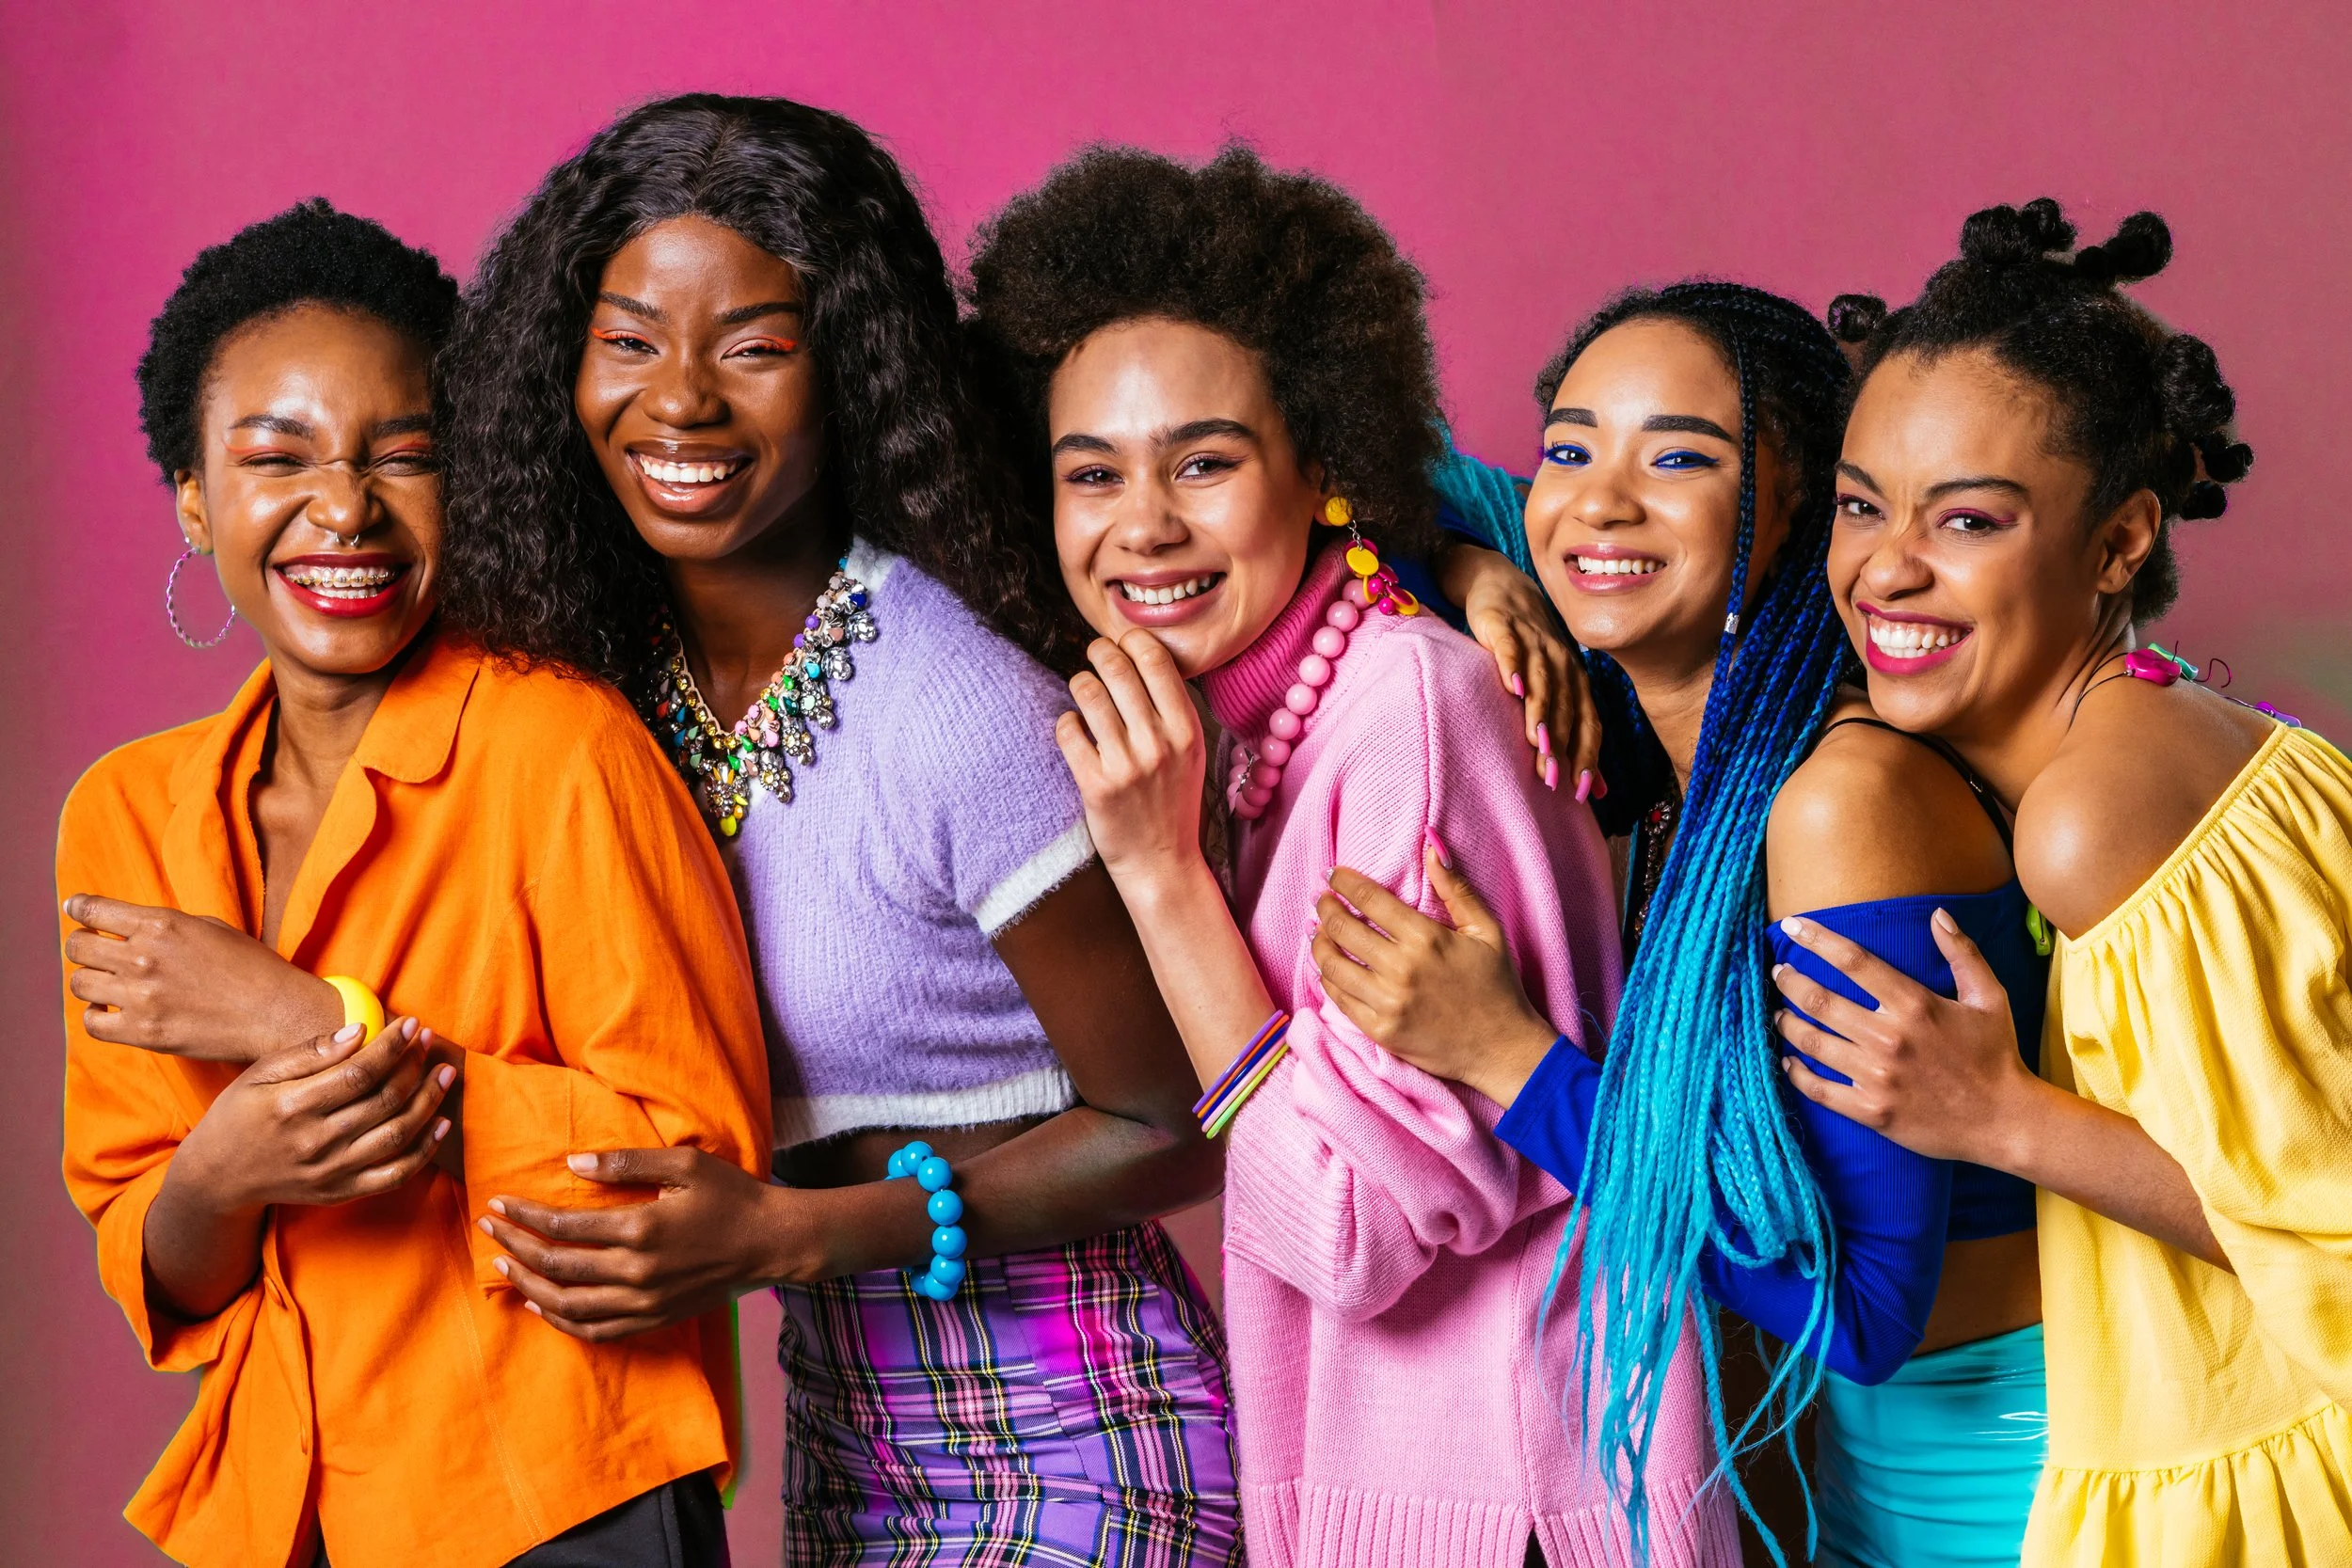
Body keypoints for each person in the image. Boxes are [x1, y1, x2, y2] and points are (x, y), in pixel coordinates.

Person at [434, 95, 1244, 1564]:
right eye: (629, 341)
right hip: (837, 1439)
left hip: (1075, 1432)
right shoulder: (605, 694)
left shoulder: (954, 708)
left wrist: (798, 1233)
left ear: (849, 369)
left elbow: (1175, 1119)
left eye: (753, 345)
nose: (679, 401)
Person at [965, 144, 1740, 1568]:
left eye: (1204, 462)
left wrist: (1160, 880)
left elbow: (1343, 1234)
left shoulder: (1412, 719)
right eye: (1095, 474)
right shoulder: (1264, 728)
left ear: (1323, 468)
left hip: (1511, 1512)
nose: (1143, 525)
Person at [56, 200, 769, 1568]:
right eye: (279, 457)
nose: (344, 507)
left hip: (561, 1498)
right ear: (197, 498)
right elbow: (161, 1250)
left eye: (404, 455)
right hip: (287, 1503)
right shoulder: (127, 818)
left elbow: (697, 1178)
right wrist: (222, 1170)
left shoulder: (562, 745)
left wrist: (306, 1023)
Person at [1308, 282, 2053, 1567]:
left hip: (1995, 1479)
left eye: (1680, 458)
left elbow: (1863, 1308)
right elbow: (1367, 458)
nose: (1600, 498)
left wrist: (1507, 1057)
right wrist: (1488, 570)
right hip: (1849, 1475)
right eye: (1571, 447)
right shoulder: (1672, 753)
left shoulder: (1842, 801)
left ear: (1802, 505)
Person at [1770, 199, 2351, 1568]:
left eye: (1968, 518)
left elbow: (2322, 1224)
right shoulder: (2171, 720)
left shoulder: (2090, 820)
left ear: (2116, 544)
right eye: (1862, 505)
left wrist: (2003, 1115)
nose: (1887, 566)